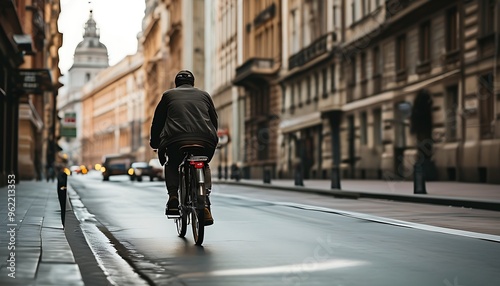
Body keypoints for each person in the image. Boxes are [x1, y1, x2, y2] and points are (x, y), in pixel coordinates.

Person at [150, 70, 218, 225]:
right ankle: (205, 202)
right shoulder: (205, 95)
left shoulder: (168, 96)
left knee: (172, 164)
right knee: (204, 163)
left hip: (176, 140)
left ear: (176, 84)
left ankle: (173, 196)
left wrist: (155, 142)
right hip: (205, 140)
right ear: (192, 83)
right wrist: (212, 137)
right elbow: (214, 120)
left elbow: (158, 122)